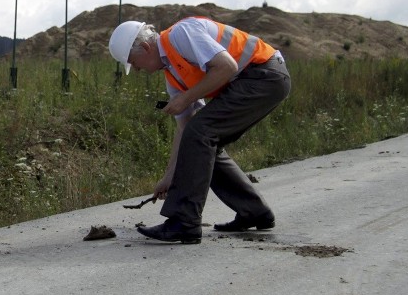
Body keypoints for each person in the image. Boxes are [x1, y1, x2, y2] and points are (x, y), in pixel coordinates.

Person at [109, 16, 291, 244]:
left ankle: (184, 222)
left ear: (145, 48)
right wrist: (168, 176)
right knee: (202, 142)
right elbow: (185, 131)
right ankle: (254, 212)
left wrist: (186, 98)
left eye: (134, 63)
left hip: (265, 74)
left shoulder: (180, 35)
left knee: (202, 133)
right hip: (255, 80)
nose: (136, 70)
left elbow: (226, 66)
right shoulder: (173, 76)